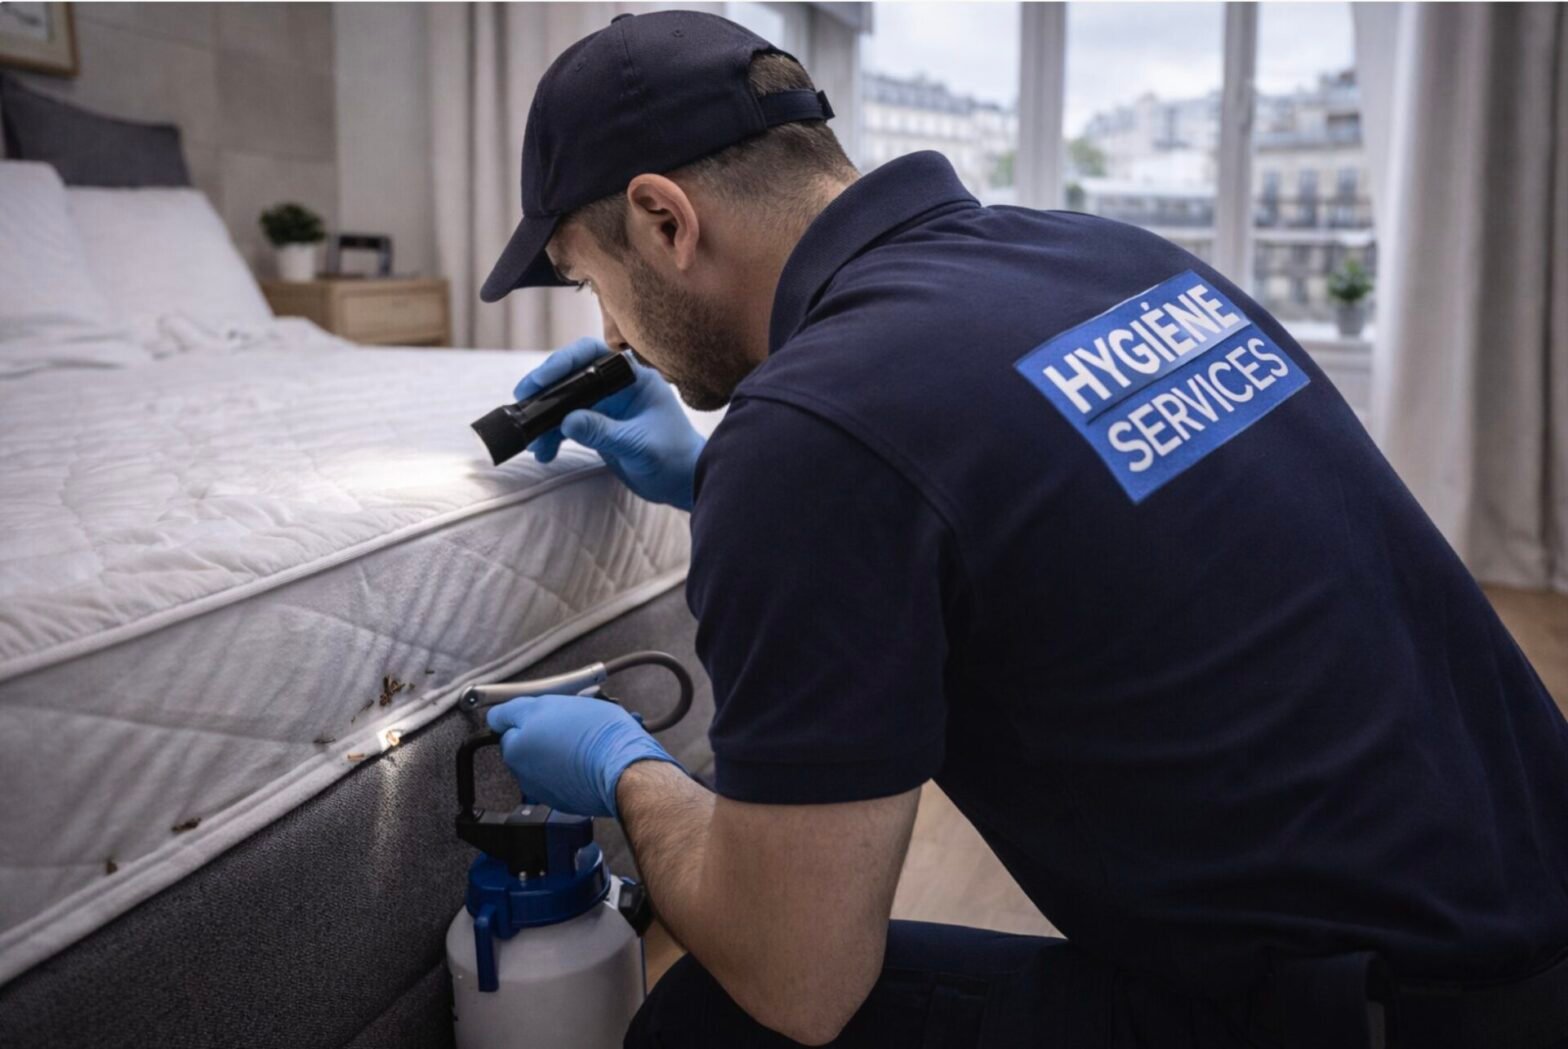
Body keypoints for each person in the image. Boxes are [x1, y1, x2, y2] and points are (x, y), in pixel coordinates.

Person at [477, 11, 1568, 1048]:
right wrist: (716, 479)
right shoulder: (1113, 258)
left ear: (665, 221)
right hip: (1524, 920)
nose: (612, 333)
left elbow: (799, 975)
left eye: (591, 280)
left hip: (1399, 1020)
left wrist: (628, 768)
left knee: (716, 1021)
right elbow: (995, 506)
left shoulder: (811, 430)